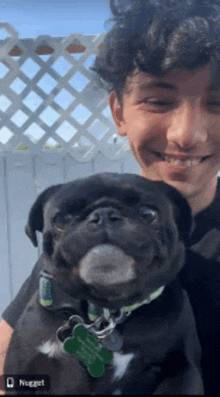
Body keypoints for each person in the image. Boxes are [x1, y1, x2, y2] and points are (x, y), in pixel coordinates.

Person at [1, 0, 220, 394]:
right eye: (159, 100)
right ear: (119, 112)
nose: (187, 134)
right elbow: (9, 372)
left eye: (218, 103)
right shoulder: (67, 256)